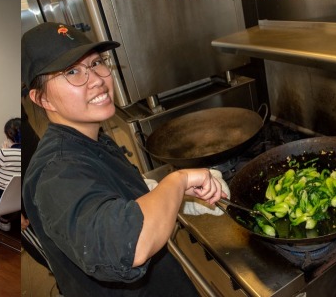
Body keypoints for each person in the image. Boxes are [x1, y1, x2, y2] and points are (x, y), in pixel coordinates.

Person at [22, 22, 225, 296]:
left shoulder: (92, 138)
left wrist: (170, 195)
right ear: (42, 99)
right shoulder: (56, 171)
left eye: (95, 64)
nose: (96, 79)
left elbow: (113, 198)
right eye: (72, 71)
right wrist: (177, 181)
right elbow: (129, 246)